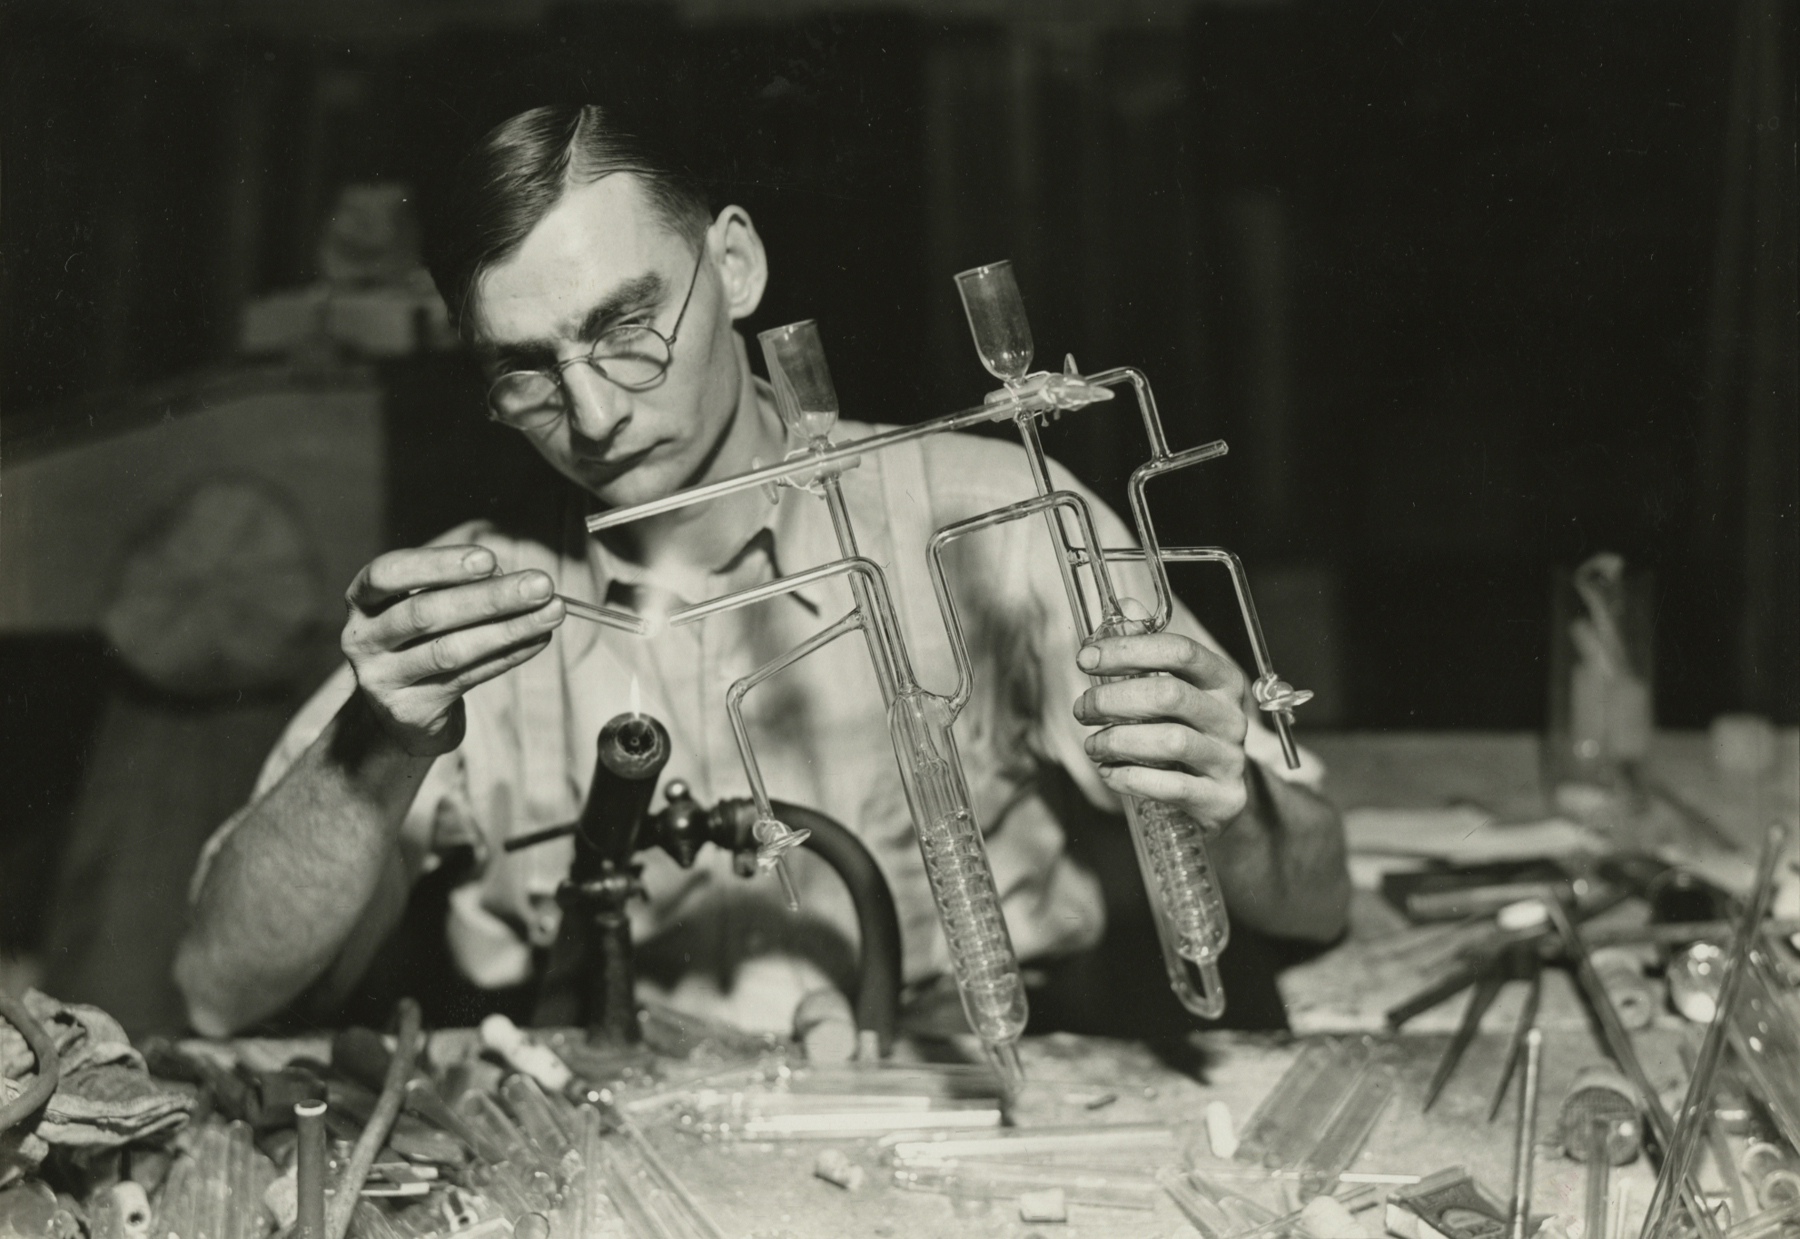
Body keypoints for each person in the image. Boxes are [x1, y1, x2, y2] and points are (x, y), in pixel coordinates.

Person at [174, 102, 1348, 1039]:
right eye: (525, 372)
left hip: (959, 1094)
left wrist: (1233, 804)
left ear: (734, 264)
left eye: (627, 328)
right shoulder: (467, 610)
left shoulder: (990, 514)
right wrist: (375, 749)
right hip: (618, 1119)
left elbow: (1317, 900)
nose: (593, 416)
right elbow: (221, 993)